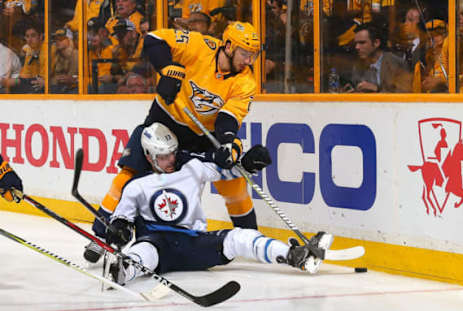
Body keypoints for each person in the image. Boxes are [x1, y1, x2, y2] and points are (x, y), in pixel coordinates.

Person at [83, 20, 262, 264]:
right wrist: (168, 70)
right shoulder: (199, 46)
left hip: (203, 135)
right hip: (166, 120)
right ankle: (102, 235)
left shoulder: (246, 81)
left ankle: (251, 238)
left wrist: (228, 142)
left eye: (253, 55)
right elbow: (154, 39)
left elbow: (228, 118)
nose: (249, 60)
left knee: (235, 185)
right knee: (131, 172)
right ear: (228, 46)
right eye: (245, 53)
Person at [105, 123, 333, 285]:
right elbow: (121, 218)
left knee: (239, 236)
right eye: (164, 156)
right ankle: (126, 270)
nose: (171, 160)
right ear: (149, 156)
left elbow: (226, 171)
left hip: (193, 243)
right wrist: (119, 230)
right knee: (143, 251)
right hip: (158, 246)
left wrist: (248, 163)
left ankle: (296, 256)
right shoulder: (136, 186)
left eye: (172, 154)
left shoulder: (191, 168)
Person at [350, 23, 412, 93]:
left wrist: (377, 89)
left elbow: (404, 95)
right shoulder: (358, 67)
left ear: (376, 43)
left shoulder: (396, 63)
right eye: (356, 43)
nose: (357, 47)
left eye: (362, 43)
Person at [49, 28, 79, 94]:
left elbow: (72, 78)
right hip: (60, 89)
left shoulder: (75, 54)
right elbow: (53, 77)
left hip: (75, 90)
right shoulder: (56, 55)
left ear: (69, 40)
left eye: (61, 39)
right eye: (56, 39)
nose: (57, 41)